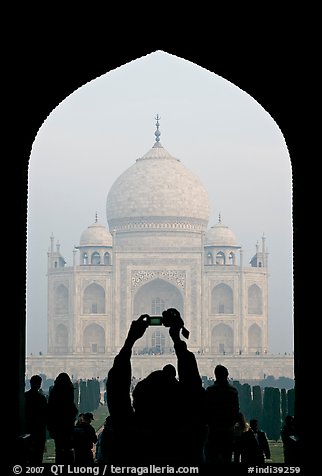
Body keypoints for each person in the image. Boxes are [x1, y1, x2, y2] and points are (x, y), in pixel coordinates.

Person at [106, 309, 206, 465]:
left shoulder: (131, 432)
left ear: (136, 402)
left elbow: (116, 390)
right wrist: (176, 338)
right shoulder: (190, 431)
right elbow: (193, 389)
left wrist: (130, 340)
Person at [204, 364, 240, 465]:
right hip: (228, 430)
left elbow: (206, 410)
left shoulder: (210, 391)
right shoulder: (232, 391)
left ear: (215, 375)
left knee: (212, 458)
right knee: (226, 458)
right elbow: (235, 410)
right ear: (227, 375)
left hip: (213, 430)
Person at [47, 372, 78, 464]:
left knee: (59, 448)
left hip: (57, 424)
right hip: (67, 423)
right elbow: (71, 407)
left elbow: (51, 408)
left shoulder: (54, 391)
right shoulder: (69, 390)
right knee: (68, 447)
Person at [24, 374, 48, 464]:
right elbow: (45, 414)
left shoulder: (25, 396)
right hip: (39, 429)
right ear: (39, 384)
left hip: (27, 427)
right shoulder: (41, 398)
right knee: (38, 455)